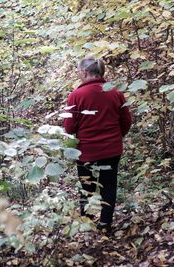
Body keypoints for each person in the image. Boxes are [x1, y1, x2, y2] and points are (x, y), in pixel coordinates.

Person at [63, 56, 132, 233]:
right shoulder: (116, 92)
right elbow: (126, 121)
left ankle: (85, 222)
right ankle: (105, 224)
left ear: (84, 72)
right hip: (112, 149)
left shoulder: (76, 96)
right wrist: (116, 137)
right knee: (108, 185)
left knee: (87, 186)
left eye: (79, 71)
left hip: (86, 152)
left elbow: (69, 128)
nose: (79, 74)